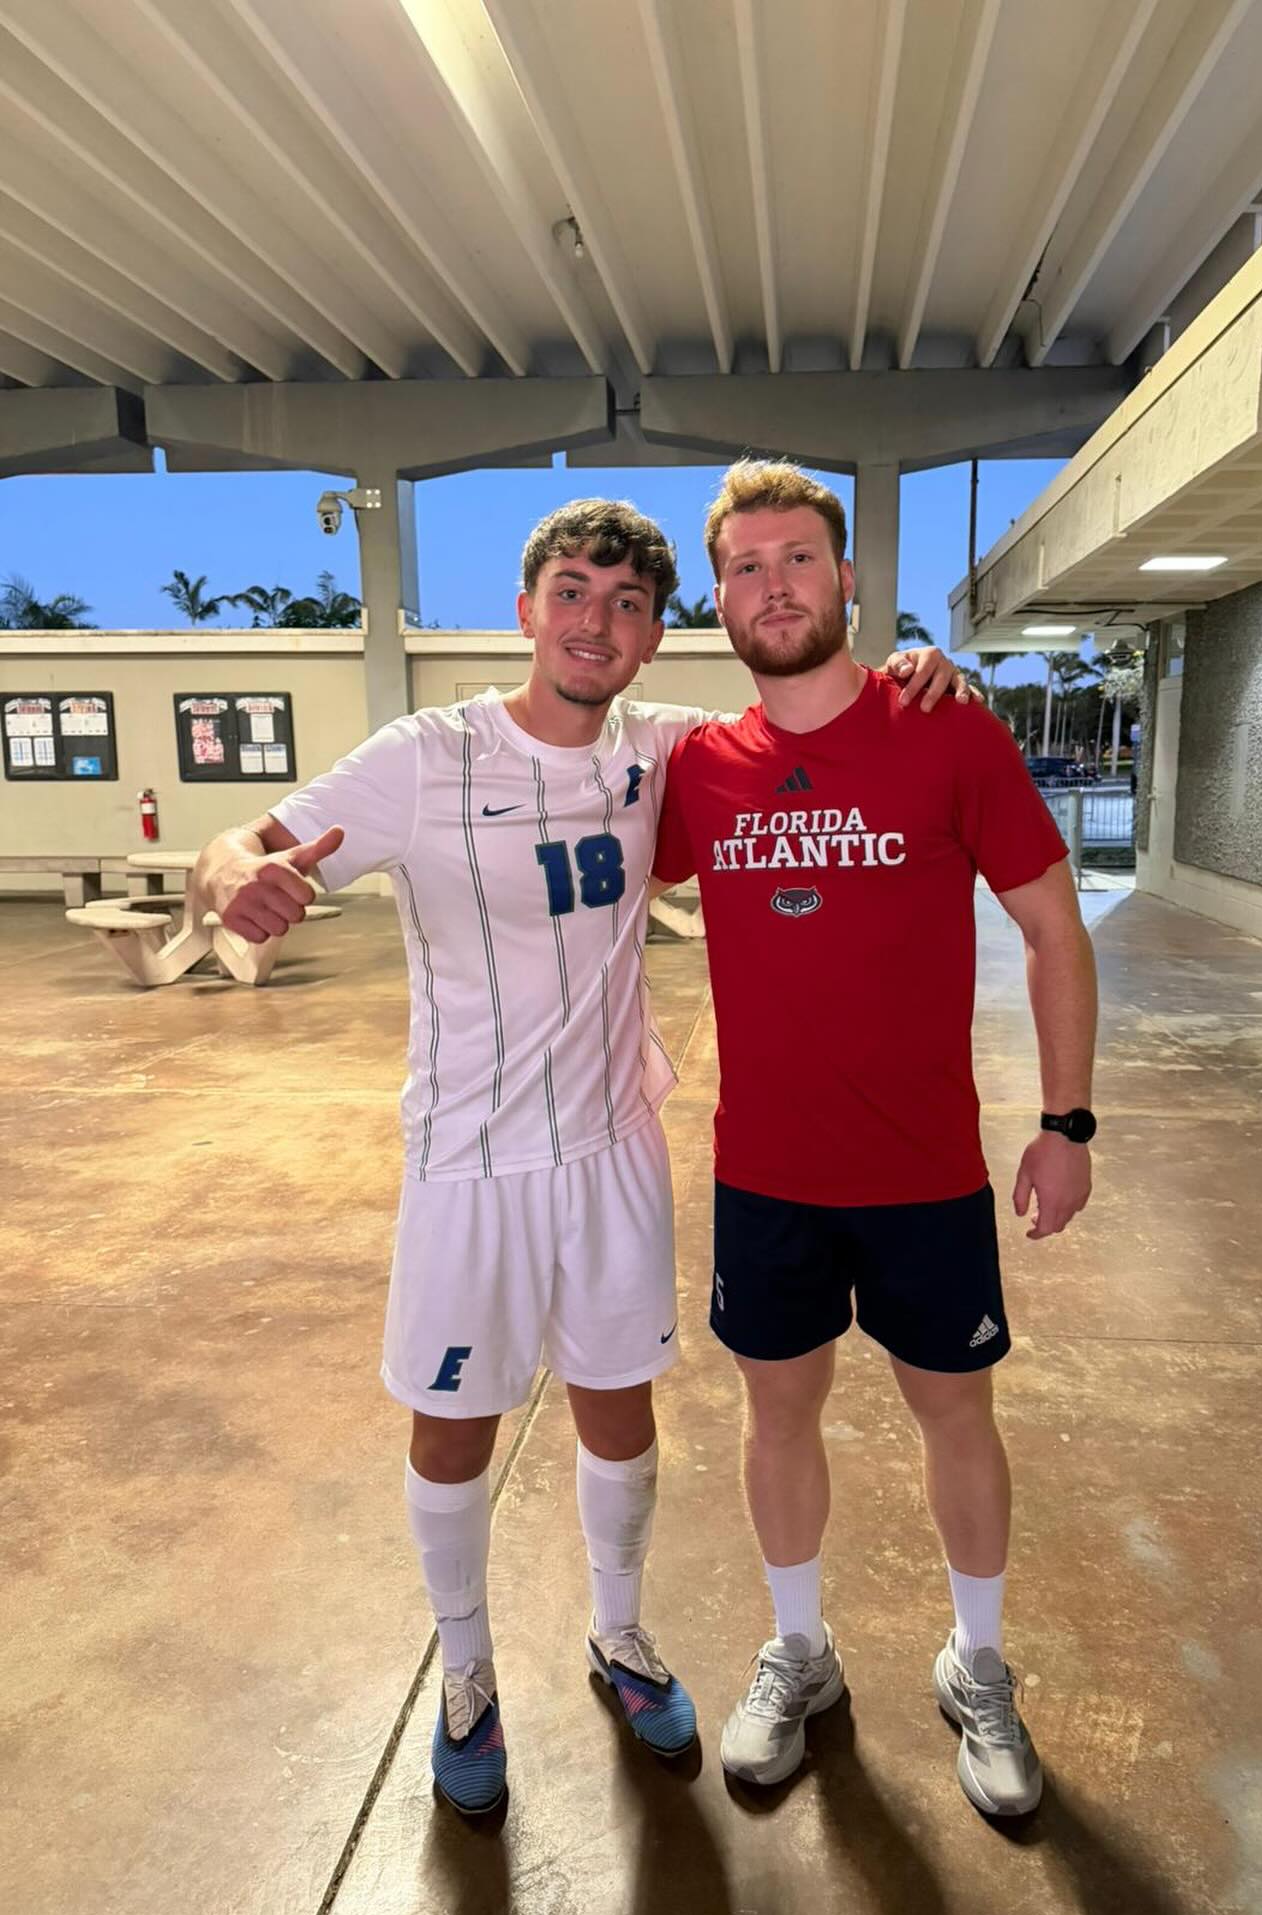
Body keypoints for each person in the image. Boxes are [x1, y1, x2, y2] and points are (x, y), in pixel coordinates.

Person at [195, 497, 961, 1819]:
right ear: (525, 607)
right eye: (571, 590)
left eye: (624, 603)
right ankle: (468, 1676)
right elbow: (245, 846)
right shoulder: (423, 756)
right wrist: (231, 880)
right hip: (467, 1167)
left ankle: (618, 1637)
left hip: (610, 1152)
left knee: (621, 1409)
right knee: (455, 1426)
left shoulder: (664, 750)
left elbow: (820, 713)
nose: (594, 620)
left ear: (656, 637)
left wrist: (915, 673)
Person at [650, 461, 1098, 1814]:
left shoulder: (948, 731)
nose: (772, 584)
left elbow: (1052, 929)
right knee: (776, 1413)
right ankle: (800, 1652)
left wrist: (1067, 1121)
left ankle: (979, 1664)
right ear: (717, 597)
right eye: (745, 566)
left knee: (955, 1412)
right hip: (766, 1174)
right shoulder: (696, 767)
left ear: (848, 580)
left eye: (797, 559)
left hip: (925, 1174)